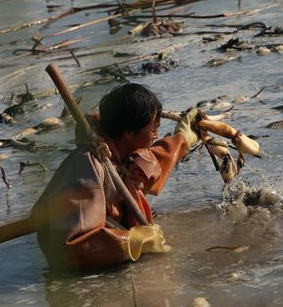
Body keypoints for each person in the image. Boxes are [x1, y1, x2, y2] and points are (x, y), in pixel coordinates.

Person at [31, 83, 199, 270]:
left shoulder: (121, 153)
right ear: (128, 132)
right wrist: (133, 241)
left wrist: (182, 140)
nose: (156, 135)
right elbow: (74, 246)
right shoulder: (87, 165)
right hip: (84, 278)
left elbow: (153, 160)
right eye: (153, 129)